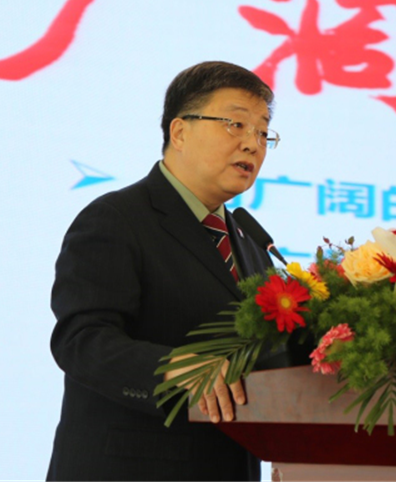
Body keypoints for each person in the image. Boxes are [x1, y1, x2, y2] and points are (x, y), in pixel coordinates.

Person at [46, 61, 279, 481]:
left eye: (263, 133)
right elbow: (81, 341)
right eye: (236, 124)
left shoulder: (252, 244)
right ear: (180, 131)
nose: (252, 144)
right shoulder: (117, 218)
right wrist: (173, 367)